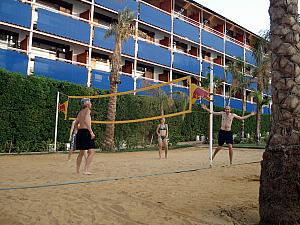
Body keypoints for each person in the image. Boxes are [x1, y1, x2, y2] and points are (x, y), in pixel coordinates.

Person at [74, 98, 96, 175]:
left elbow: (76, 123)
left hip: (80, 132)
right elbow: (86, 121)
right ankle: (86, 170)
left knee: (81, 152)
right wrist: (91, 132)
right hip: (86, 132)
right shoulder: (87, 110)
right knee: (92, 151)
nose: (91, 104)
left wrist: (76, 131)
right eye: (90, 102)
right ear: (86, 104)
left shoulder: (80, 112)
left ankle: (77, 170)